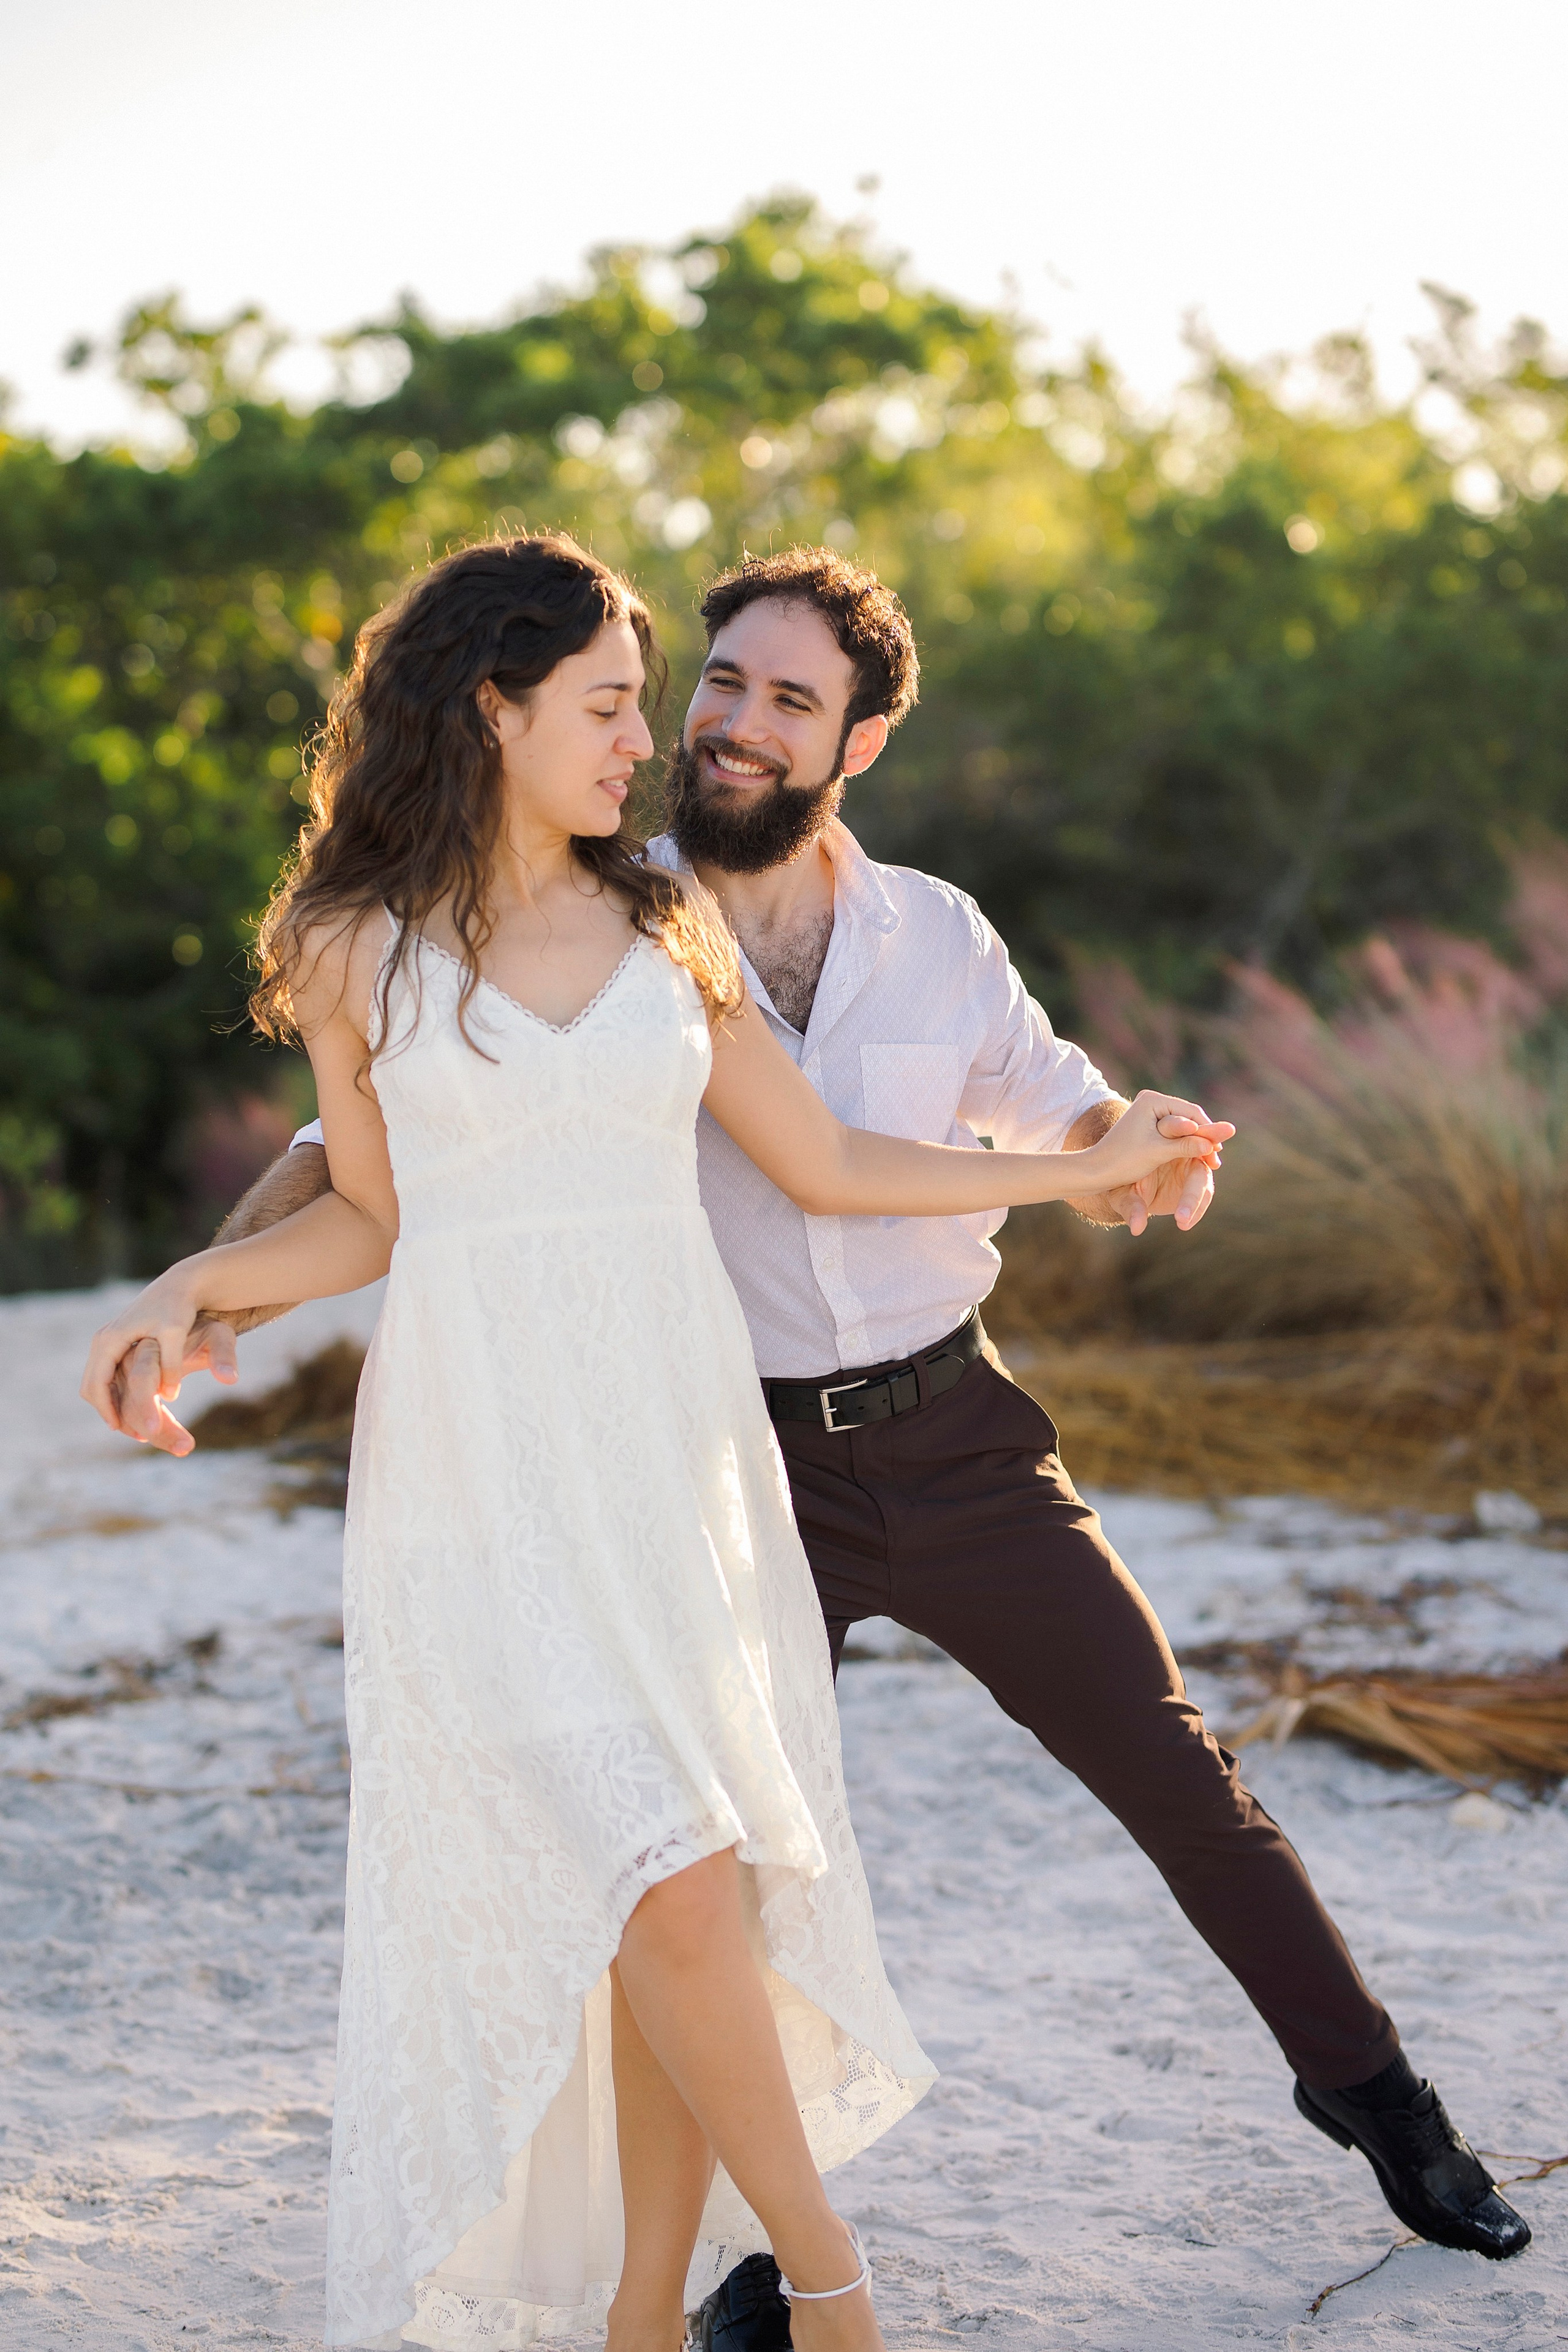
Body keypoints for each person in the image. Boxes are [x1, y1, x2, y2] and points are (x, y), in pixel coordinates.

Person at [81, 535, 1232, 2352]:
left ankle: (642, 2321)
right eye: (614, 706)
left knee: (668, 1903)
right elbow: (370, 1220)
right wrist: (191, 1286)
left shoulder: (659, 920)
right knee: (675, 1881)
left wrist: (1084, 1163)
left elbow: (833, 1164)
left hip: (678, 1473)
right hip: (481, 1485)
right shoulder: (348, 946)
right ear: (494, 706)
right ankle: (832, 2289)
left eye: (644, 705)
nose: (650, 744)